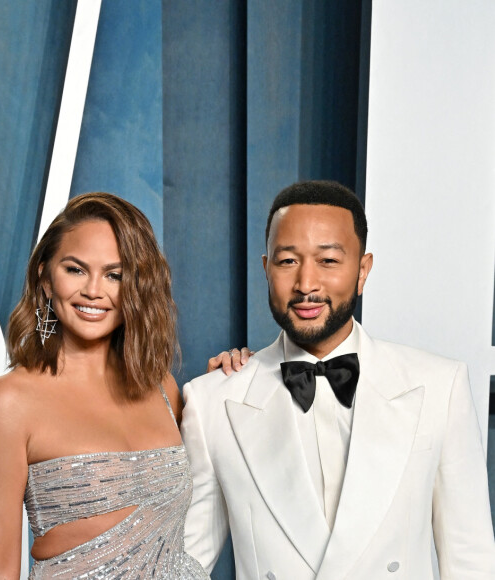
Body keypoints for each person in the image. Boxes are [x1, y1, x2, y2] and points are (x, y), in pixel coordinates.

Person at [182, 180, 495, 579]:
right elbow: (185, 565)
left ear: (362, 271)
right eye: (288, 261)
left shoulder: (439, 386)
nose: (306, 285)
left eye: (328, 261)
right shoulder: (211, 402)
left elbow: (471, 561)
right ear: (266, 269)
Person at [0, 192, 244, 579]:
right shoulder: (9, 402)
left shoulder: (162, 389)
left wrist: (236, 377)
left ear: (136, 286)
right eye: (76, 270)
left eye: (114, 275)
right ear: (46, 279)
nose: (94, 291)